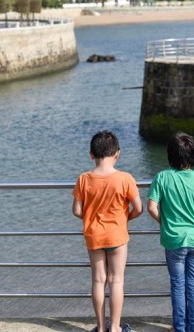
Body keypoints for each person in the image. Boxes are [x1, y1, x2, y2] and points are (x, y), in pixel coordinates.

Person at [147, 132, 194, 332]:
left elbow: (151, 207)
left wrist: (165, 222)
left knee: (178, 286)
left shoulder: (162, 177)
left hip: (174, 239)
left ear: (170, 154)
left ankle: (179, 327)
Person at [72, 130, 143, 332]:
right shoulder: (125, 178)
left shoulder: (84, 179)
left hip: (94, 234)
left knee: (98, 279)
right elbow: (138, 208)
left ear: (91, 154)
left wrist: (92, 218)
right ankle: (116, 328)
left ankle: (101, 327)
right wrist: (124, 218)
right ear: (117, 154)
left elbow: (77, 210)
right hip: (117, 235)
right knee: (116, 280)